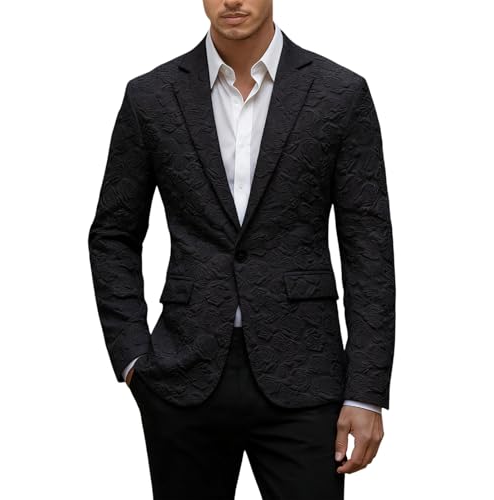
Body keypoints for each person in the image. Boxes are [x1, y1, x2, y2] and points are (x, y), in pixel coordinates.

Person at [88, 1, 396, 498]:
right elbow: (113, 234)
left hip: (306, 374)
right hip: (183, 374)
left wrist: (366, 390)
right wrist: (131, 357)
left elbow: (369, 248)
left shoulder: (340, 93)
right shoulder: (151, 96)